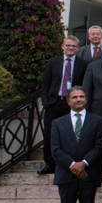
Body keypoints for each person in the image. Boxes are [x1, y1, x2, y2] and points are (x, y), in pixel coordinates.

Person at [50, 87, 102, 203]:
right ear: (68, 101)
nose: (78, 99)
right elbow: (55, 149)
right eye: (74, 97)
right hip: (67, 173)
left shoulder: (97, 121)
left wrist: (84, 163)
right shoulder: (58, 123)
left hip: (89, 173)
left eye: (81, 96)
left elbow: (100, 146)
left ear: (86, 100)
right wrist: (73, 165)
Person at [39, 36, 88, 174]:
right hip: (54, 102)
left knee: (72, 134)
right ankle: (50, 163)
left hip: (73, 104)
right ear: (63, 46)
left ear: (77, 48)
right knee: (49, 133)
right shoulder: (53, 62)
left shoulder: (83, 64)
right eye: (68, 45)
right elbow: (46, 83)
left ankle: (69, 162)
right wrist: (46, 101)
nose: (70, 48)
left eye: (73, 46)